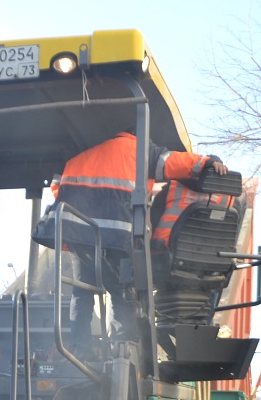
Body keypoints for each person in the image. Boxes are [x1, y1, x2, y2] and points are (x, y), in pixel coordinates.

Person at [34, 131, 228, 346]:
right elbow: (177, 162)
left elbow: (57, 189)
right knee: (120, 290)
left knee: (82, 291)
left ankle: (80, 349)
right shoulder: (143, 151)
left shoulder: (83, 156)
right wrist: (209, 161)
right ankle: (121, 348)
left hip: (79, 233)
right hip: (115, 235)